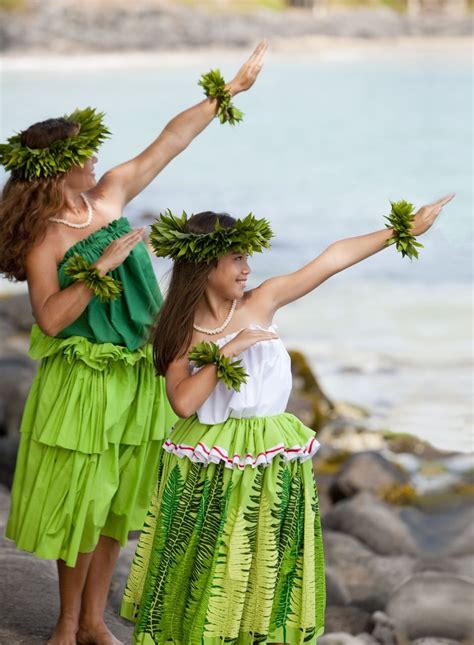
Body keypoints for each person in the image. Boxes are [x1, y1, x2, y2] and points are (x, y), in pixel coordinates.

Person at [0, 41, 267, 645]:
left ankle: (95, 621)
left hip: (139, 375)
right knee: (82, 504)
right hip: (85, 381)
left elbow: (170, 140)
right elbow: (47, 319)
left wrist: (227, 92)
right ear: (58, 167)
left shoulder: (113, 193)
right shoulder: (47, 240)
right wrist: (103, 269)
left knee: (119, 504)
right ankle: (66, 624)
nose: (96, 158)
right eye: (83, 153)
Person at [121, 195, 454, 644]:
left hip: (269, 455)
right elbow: (182, 403)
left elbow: (331, 259)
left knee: (267, 561)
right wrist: (223, 356)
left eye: (246, 258)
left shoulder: (264, 300)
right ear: (204, 266)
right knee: (211, 562)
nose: (246, 268)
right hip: (212, 459)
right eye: (236, 258)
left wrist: (400, 231)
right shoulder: (181, 329)